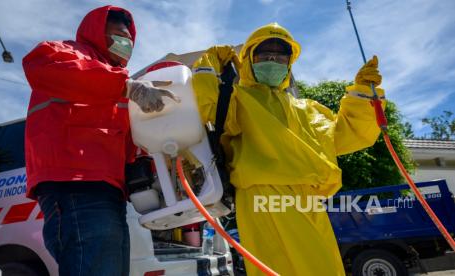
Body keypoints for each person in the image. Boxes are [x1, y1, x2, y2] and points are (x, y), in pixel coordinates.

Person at [192, 23, 386, 275]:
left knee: (323, 268)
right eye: (264, 54)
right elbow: (204, 108)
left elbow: (348, 134)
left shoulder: (307, 108)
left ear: (289, 62)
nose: (273, 59)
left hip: (310, 200)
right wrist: (208, 64)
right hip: (264, 194)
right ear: (249, 59)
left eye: (280, 55)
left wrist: (362, 93)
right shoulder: (236, 99)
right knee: (283, 267)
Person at [22, 5, 178, 276]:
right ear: (97, 32)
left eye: (129, 38)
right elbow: (41, 67)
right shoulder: (64, 52)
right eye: (119, 33)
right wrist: (125, 86)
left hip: (108, 191)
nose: (126, 42)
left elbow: (126, 142)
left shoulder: (118, 82)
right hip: (74, 183)